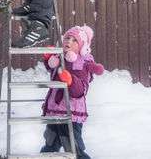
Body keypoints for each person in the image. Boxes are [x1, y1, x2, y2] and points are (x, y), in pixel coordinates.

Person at [41, 25, 104, 158]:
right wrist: (48, 59)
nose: (68, 41)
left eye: (74, 40)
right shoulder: (59, 57)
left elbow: (81, 90)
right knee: (50, 143)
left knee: (73, 147)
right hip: (54, 110)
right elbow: (53, 72)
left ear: (82, 46)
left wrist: (70, 81)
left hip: (71, 113)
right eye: (67, 38)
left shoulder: (83, 63)